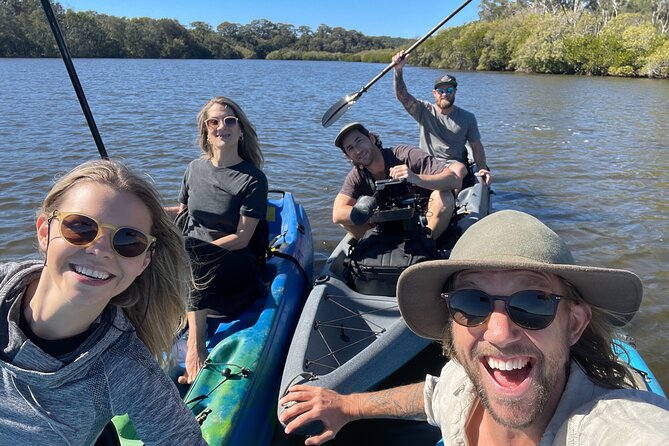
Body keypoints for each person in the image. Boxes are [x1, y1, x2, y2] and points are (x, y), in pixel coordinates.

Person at [279, 210, 669, 445]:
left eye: (533, 303)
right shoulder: (464, 382)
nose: (499, 333)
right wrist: (348, 404)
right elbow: (434, 396)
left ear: (575, 324)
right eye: (471, 302)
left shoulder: (611, 425)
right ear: (452, 318)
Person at [0, 159, 206, 445]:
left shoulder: (124, 368)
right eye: (81, 228)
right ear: (45, 232)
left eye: (128, 241)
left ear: (144, 261)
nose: (100, 250)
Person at [168, 96, 269, 385]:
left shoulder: (252, 179)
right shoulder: (193, 169)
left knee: (191, 252)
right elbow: (184, 212)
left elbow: (242, 237)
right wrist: (141, 209)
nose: (221, 126)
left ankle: (195, 347)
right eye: (213, 121)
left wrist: (192, 254)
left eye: (229, 121)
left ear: (240, 130)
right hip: (190, 257)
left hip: (233, 262)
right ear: (205, 131)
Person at [332, 122, 463, 242]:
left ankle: (427, 244)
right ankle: (377, 248)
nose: (358, 150)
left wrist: (416, 178)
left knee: (444, 197)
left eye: (359, 141)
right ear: (348, 156)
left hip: (423, 221)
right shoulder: (357, 175)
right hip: (385, 226)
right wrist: (366, 212)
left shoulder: (407, 155)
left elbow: (454, 181)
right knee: (347, 220)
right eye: (350, 148)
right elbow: (337, 214)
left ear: (371, 138)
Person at [392, 50, 492, 186]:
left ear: (455, 92)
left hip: (452, 165)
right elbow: (402, 96)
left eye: (449, 91)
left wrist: (482, 168)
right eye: (441, 91)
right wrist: (398, 71)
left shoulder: (468, 118)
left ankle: (452, 198)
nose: (445, 94)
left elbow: (476, 146)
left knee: (460, 169)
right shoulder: (423, 110)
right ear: (434, 93)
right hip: (427, 163)